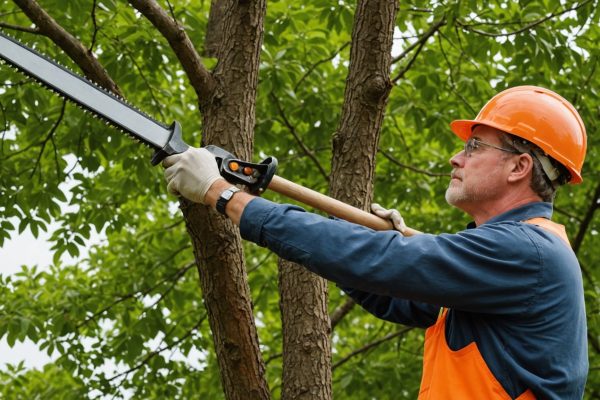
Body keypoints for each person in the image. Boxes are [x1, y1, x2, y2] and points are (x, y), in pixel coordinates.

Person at [163, 86, 588, 399]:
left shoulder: (528, 252)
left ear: (520, 166)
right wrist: (371, 245)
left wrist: (225, 196)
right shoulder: (502, 259)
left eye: (474, 146)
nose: (456, 158)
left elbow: (375, 261)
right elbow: (390, 291)